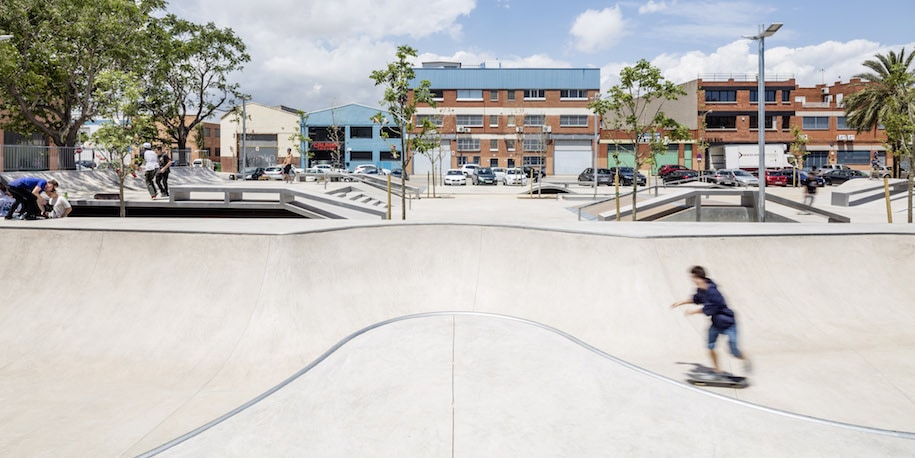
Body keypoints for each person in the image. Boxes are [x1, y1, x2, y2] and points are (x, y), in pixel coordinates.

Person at [671, 266, 751, 375]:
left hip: (729, 324)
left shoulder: (713, 293)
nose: (692, 280)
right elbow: (696, 299)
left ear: (699, 278)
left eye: (693, 277)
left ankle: (746, 359)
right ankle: (717, 370)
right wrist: (681, 302)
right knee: (710, 346)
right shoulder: (700, 289)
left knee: (734, 351)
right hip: (716, 324)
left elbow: (708, 309)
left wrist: (692, 312)